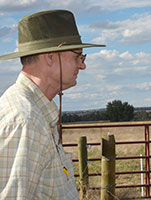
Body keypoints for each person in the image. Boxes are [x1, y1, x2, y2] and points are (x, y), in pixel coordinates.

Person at [0, 10, 105, 199]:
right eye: (77, 56)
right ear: (50, 57)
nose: (82, 65)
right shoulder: (26, 122)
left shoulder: (36, 112)